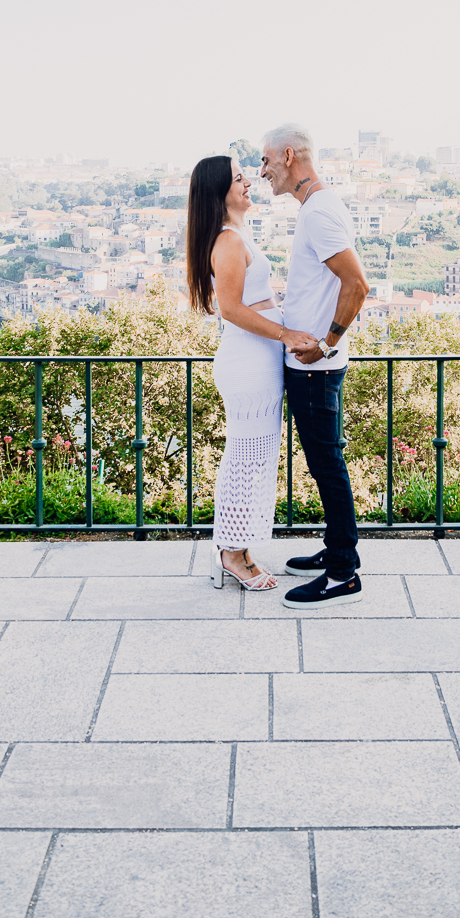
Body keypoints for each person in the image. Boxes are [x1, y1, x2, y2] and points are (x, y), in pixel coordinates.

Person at [186, 154, 317, 591]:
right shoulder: (227, 241)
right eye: (238, 178)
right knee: (246, 459)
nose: (248, 182)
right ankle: (231, 553)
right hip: (247, 362)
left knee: (255, 458)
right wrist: (286, 334)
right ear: (218, 193)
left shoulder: (239, 234)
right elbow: (231, 309)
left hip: (258, 362)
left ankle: (239, 547)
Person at [260, 123, 370, 606]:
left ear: (288, 155)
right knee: (326, 463)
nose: (262, 171)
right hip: (312, 363)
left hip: (316, 366)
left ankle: (343, 574)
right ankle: (336, 551)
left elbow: (357, 285)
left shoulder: (319, 211)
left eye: (265, 161)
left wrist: (326, 344)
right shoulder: (316, 208)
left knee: (327, 465)